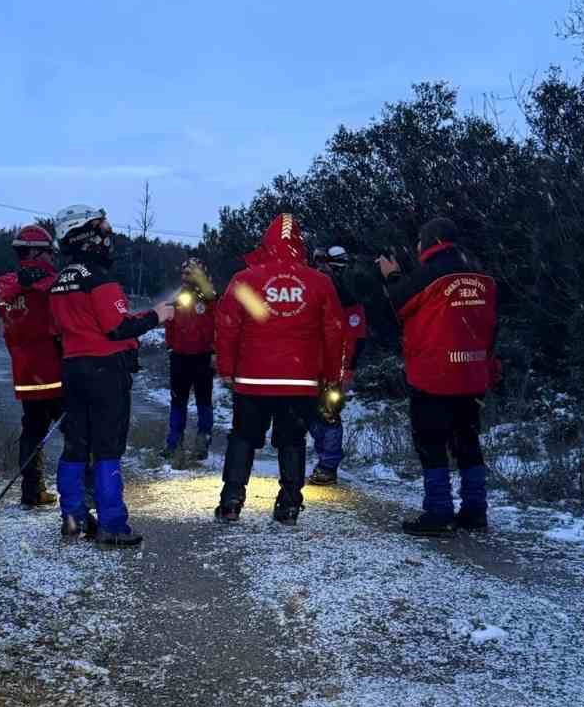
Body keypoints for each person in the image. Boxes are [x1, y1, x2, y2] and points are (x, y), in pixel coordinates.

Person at [49, 205, 175, 546]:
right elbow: (117, 327)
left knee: (75, 446)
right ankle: (113, 525)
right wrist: (157, 317)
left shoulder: (61, 280)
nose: (109, 237)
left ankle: (72, 519)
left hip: (73, 369)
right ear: (87, 235)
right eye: (103, 230)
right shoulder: (100, 277)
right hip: (105, 372)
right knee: (107, 448)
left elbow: (66, 327)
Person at [214, 213, 345, 525]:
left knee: (243, 438)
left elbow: (227, 327)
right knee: (292, 441)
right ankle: (288, 504)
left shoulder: (245, 279)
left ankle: (231, 501)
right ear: (299, 244)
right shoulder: (319, 282)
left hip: (252, 380)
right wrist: (331, 377)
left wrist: (227, 368)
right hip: (299, 382)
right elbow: (335, 332)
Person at [377, 217, 499, 535]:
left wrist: (391, 276)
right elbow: (491, 325)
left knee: (431, 443)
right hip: (472, 372)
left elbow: (397, 304)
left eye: (419, 242)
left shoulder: (430, 274)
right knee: (468, 442)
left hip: (434, 374)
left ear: (430, 242)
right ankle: (475, 511)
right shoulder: (482, 275)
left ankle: (439, 511)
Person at [0, 224, 63, 508]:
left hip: (27, 376)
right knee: (75, 433)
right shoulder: (44, 282)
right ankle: (84, 489)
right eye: (48, 253)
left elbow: (3, 293)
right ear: (34, 251)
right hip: (56, 372)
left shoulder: (9, 284)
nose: (52, 259)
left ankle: (32, 493)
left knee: (32, 432)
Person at [307, 245, 368, 484]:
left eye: (326, 265)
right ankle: (325, 458)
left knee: (330, 414)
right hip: (312, 365)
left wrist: (347, 371)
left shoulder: (348, 298)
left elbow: (357, 338)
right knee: (311, 414)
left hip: (337, 367)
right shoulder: (315, 292)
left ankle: (328, 465)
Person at [163, 256, 217, 465]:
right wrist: (170, 346)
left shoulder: (211, 298)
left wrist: (215, 351)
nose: (185, 277)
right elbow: (170, 323)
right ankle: (174, 442)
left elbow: (218, 325)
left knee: (204, 401)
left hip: (203, 357)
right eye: (183, 273)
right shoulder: (177, 297)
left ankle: (203, 441)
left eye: (189, 273)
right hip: (180, 357)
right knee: (178, 401)